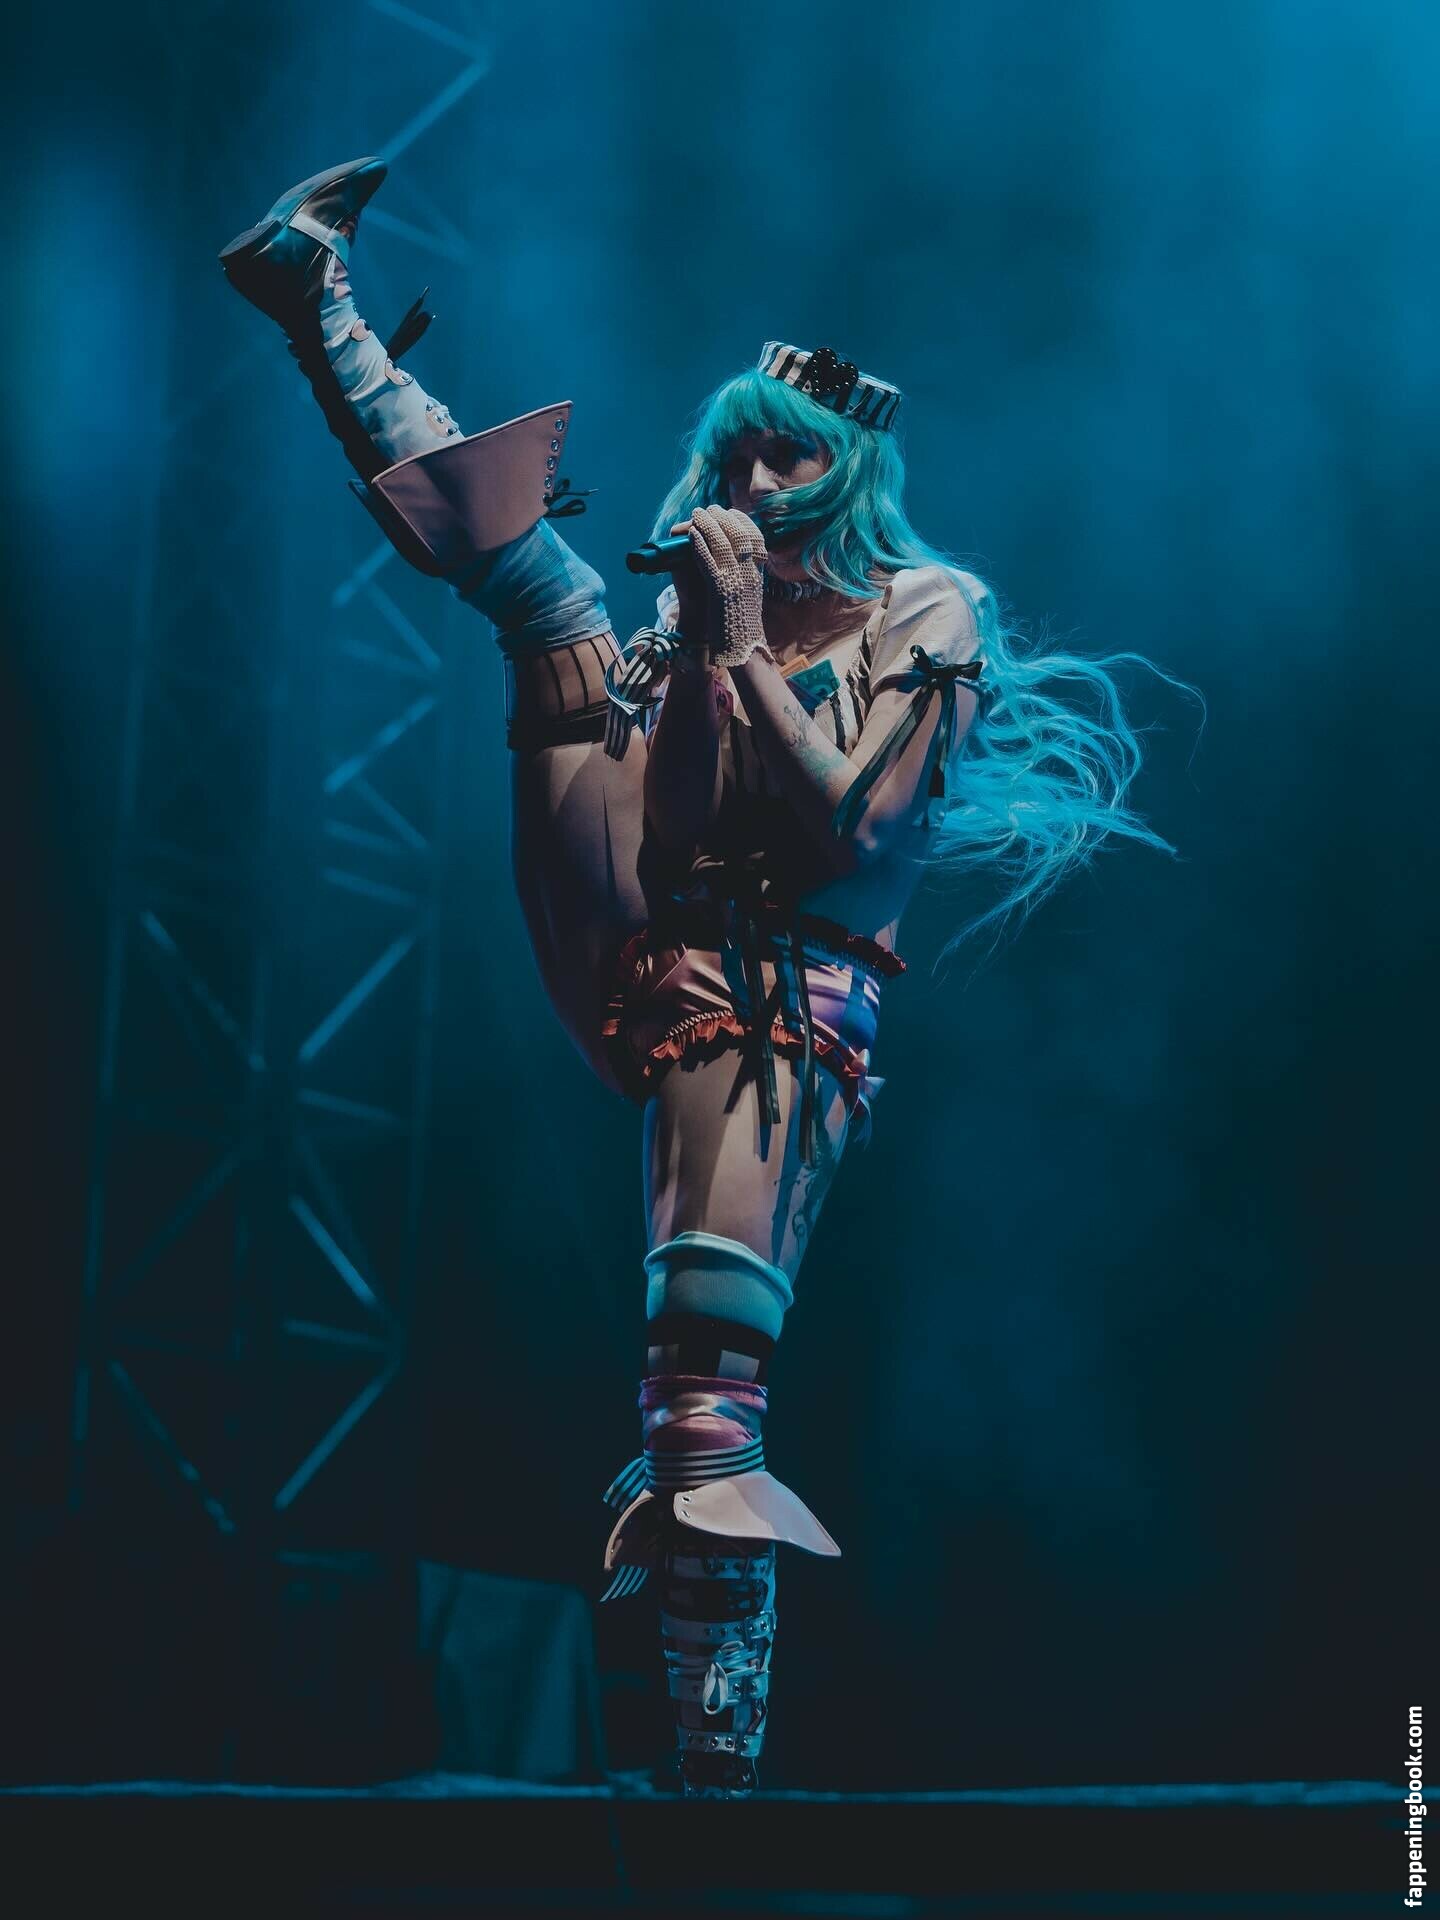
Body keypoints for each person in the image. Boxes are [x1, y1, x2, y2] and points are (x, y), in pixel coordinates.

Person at [220, 157, 1170, 1798]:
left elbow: (866, 830)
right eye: (733, 449)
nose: (748, 476)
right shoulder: (693, 621)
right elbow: (656, 812)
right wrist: (691, 655)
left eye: (784, 452)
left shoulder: (924, 609)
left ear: (850, 474)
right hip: (650, 945)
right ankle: (319, 308)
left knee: (702, 1394)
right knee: (542, 599)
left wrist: (737, 648)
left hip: (786, 1000)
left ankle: (714, 1787)